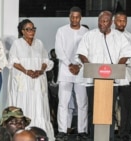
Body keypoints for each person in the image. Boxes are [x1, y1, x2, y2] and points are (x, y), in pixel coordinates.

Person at [76, 10, 131, 141]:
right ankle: (93, 136)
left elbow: (126, 54)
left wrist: (118, 67)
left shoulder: (119, 37)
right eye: (100, 21)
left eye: (105, 21)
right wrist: (89, 66)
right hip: (92, 79)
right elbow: (81, 53)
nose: (101, 23)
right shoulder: (89, 35)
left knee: (109, 110)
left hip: (111, 81)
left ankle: (109, 137)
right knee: (93, 109)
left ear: (111, 23)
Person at [7, 19, 55, 141]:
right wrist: (27, 71)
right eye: (28, 29)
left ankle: (39, 134)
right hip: (23, 80)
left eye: (33, 28)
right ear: (22, 31)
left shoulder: (39, 43)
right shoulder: (17, 44)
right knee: (24, 103)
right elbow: (13, 61)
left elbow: (46, 60)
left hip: (38, 80)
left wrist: (41, 70)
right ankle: (22, 134)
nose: (31, 31)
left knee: (38, 105)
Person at [54, 6, 89, 141]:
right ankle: (62, 130)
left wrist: (78, 65)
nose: (74, 19)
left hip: (80, 71)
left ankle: (82, 131)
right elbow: (59, 50)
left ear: (81, 17)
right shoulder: (61, 31)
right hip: (65, 70)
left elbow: (86, 51)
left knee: (82, 102)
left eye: (77, 17)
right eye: (72, 17)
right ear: (69, 16)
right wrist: (70, 64)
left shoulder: (86, 32)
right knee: (63, 102)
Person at [113, 11, 131, 141]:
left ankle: (124, 134)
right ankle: (110, 133)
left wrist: (124, 62)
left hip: (127, 76)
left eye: (124, 21)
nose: (121, 23)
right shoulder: (107, 36)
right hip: (110, 77)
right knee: (109, 106)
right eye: (119, 20)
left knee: (126, 107)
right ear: (114, 22)